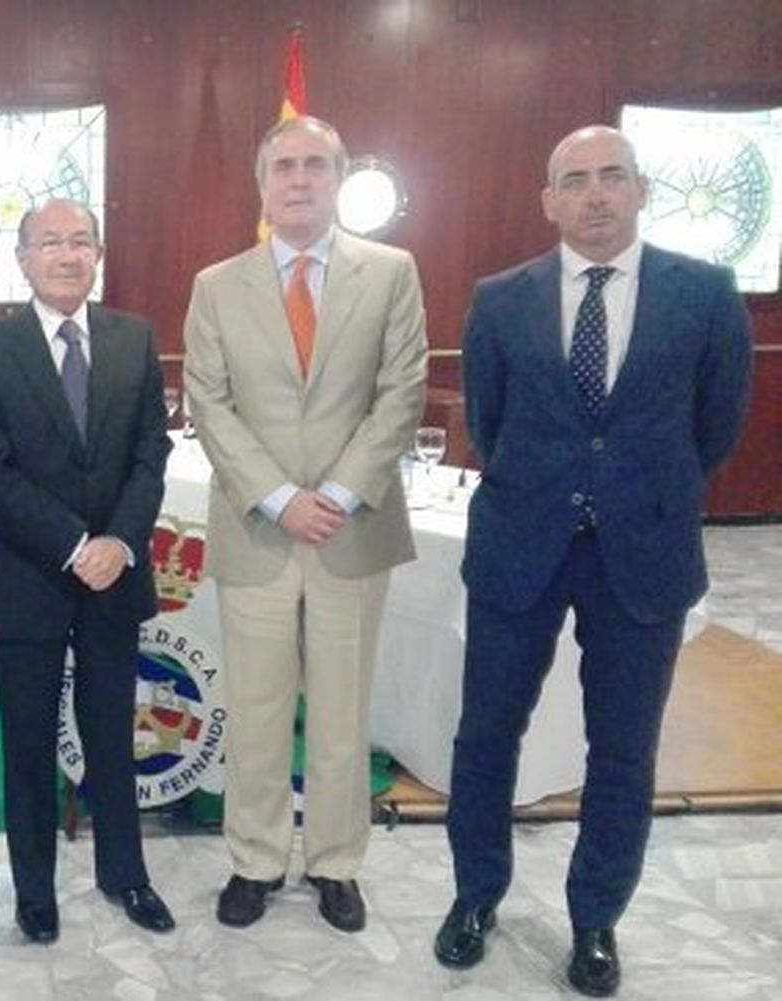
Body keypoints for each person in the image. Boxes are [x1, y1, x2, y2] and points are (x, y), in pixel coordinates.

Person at [435, 125, 752, 997]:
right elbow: (491, 426)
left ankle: (595, 918)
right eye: (576, 181)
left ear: (641, 189)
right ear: (549, 201)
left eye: (613, 177)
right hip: (520, 546)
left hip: (641, 552)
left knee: (623, 748)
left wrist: (632, 489)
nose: (596, 195)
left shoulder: (705, 293)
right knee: (485, 733)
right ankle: (474, 896)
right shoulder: (501, 299)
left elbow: (715, 427)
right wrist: (557, 486)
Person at [183, 116, 426, 934]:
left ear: (338, 177)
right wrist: (280, 495)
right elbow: (209, 403)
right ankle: (254, 859)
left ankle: (334, 863)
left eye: (314, 165)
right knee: (254, 708)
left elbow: (401, 393)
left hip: (351, 534)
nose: (298, 179)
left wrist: (343, 492)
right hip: (258, 530)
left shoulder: (391, 272)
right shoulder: (217, 284)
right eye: (283, 165)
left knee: (340, 711)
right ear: (263, 184)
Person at [0, 199, 176, 943]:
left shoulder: (133, 337)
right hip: (29, 574)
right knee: (26, 742)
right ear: (22, 258)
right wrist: (74, 543)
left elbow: (153, 453)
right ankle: (34, 890)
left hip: (115, 575)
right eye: (49, 242)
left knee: (113, 735)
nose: (66, 254)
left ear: (99, 252)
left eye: (80, 241)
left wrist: (117, 541)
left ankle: (126, 874)